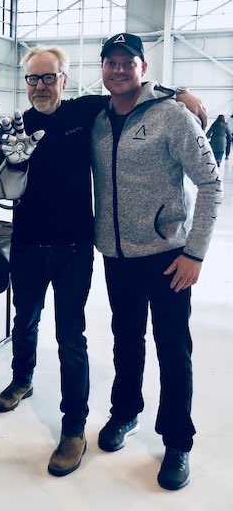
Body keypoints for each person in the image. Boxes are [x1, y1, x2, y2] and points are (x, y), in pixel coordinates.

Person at [0, 45, 209, 478]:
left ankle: (75, 428)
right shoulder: (17, 126)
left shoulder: (86, 113)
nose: (40, 86)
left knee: (72, 337)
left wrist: (179, 92)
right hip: (30, 245)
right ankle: (23, 379)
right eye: (33, 78)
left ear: (64, 79)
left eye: (48, 77)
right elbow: (4, 192)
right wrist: (8, 161)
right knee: (26, 320)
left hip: (76, 248)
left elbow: (132, 89)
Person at [92, 32, 222, 491]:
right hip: (117, 255)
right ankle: (126, 412)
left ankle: (177, 440)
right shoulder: (98, 119)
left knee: (173, 349)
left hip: (168, 258)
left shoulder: (172, 115)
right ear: (102, 69)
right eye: (111, 62)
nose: (119, 69)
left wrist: (195, 252)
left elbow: (210, 183)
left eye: (128, 62)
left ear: (143, 69)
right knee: (125, 341)